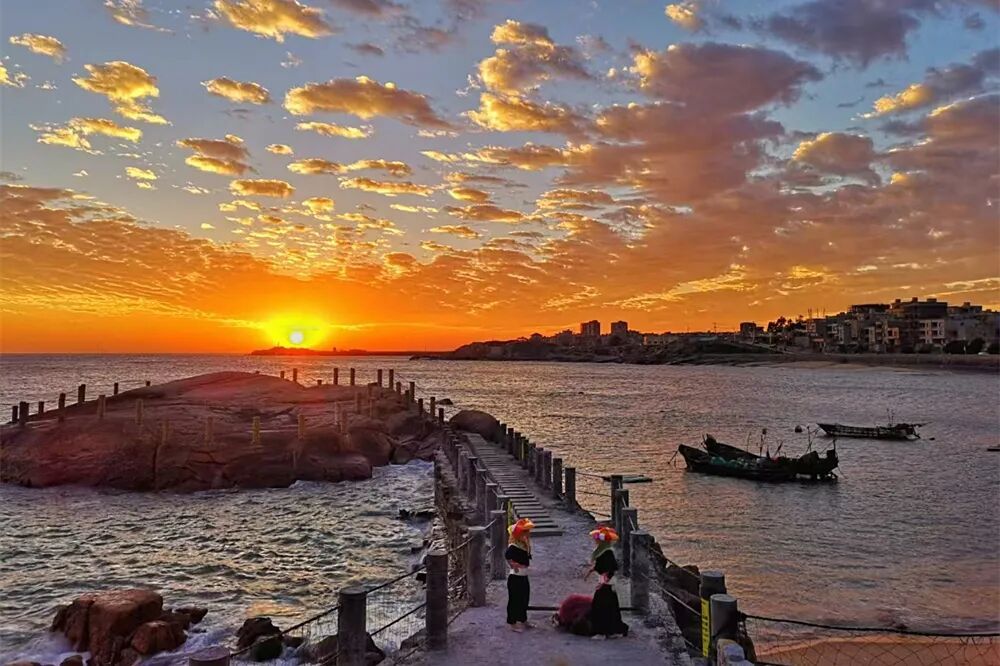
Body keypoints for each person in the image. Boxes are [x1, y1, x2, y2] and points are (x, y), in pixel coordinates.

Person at [583, 525, 628, 639]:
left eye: (597, 539)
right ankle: (612, 630)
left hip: (606, 583)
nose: (595, 541)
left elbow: (610, 569)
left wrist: (603, 582)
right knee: (610, 607)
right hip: (605, 583)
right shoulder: (602, 551)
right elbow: (600, 565)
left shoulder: (607, 553)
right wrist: (591, 571)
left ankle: (602, 632)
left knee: (600, 606)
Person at [505, 517, 534, 632]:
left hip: (523, 575)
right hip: (515, 577)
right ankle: (512, 623)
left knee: (524, 598)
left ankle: (523, 619)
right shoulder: (513, 546)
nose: (527, 534)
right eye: (525, 532)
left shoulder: (524, 544)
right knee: (514, 600)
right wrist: (513, 564)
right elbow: (507, 556)